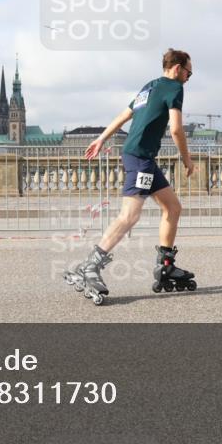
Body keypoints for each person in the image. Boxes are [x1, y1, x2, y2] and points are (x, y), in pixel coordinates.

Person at [65, 48, 197, 304]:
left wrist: (102, 138)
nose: (188, 78)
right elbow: (177, 130)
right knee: (130, 215)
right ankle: (90, 266)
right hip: (140, 159)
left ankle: (166, 265)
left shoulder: (149, 87)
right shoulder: (174, 88)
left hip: (141, 157)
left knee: (173, 207)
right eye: (189, 73)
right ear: (178, 69)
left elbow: (125, 115)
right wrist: (187, 159)